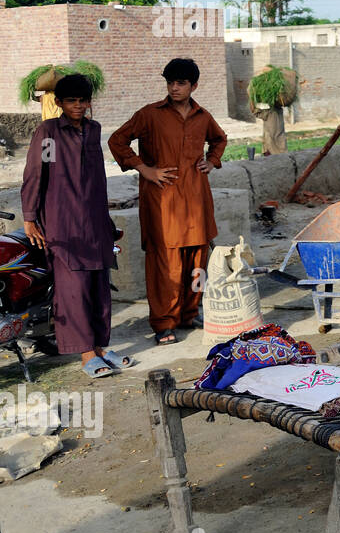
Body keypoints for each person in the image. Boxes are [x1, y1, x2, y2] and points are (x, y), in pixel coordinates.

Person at [109, 58, 227, 345]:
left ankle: (190, 312)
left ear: (193, 86)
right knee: (167, 265)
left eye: (180, 83)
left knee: (198, 260)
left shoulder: (202, 116)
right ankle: (164, 323)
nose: (174, 88)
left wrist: (212, 161)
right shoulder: (150, 114)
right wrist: (145, 169)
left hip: (196, 201)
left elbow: (219, 139)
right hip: (163, 203)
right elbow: (117, 140)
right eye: (170, 83)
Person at [21, 74, 132, 377]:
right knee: (75, 289)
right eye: (72, 101)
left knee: (99, 286)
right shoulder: (49, 134)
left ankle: (100, 347)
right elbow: (36, 174)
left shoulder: (94, 131)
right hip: (63, 221)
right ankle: (85, 354)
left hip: (95, 221)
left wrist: (105, 219)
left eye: (83, 101)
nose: (79, 106)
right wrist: (30, 218)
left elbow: (97, 180)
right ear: (58, 103)